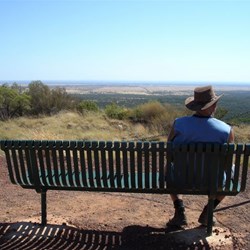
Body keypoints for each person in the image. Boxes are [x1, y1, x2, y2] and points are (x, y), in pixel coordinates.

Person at [166, 85, 234, 227]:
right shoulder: (226, 130)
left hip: (182, 179)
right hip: (213, 181)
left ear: (196, 106)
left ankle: (179, 210)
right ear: (213, 106)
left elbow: (169, 153)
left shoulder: (178, 124)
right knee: (231, 170)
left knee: (168, 168)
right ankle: (209, 210)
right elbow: (227, 162)